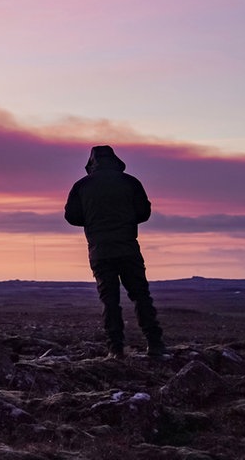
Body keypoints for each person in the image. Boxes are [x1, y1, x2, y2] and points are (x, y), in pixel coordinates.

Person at [65, 145, 166, 359]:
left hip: (100, 251)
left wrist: (94, 219)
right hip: (128, 248)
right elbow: (144, 212)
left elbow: (71, 216)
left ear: (92, 162)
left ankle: (116, 349)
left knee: (110, 301)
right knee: (140, 296)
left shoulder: (82, 186)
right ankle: (155, 344)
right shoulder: (130, 182)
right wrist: (124, 218)